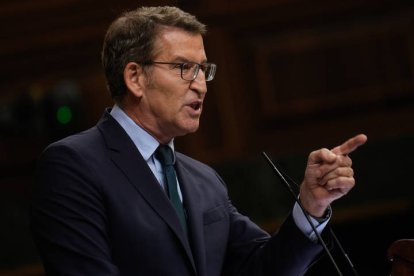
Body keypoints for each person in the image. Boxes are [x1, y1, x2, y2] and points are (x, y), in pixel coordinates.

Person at [30, 6, 367, 276]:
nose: (201, 86)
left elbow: (263, 268)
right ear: (135, 77)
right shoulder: (73, 164)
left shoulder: (204, 180)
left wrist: (311, 206)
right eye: (183, 68)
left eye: (203, 70)